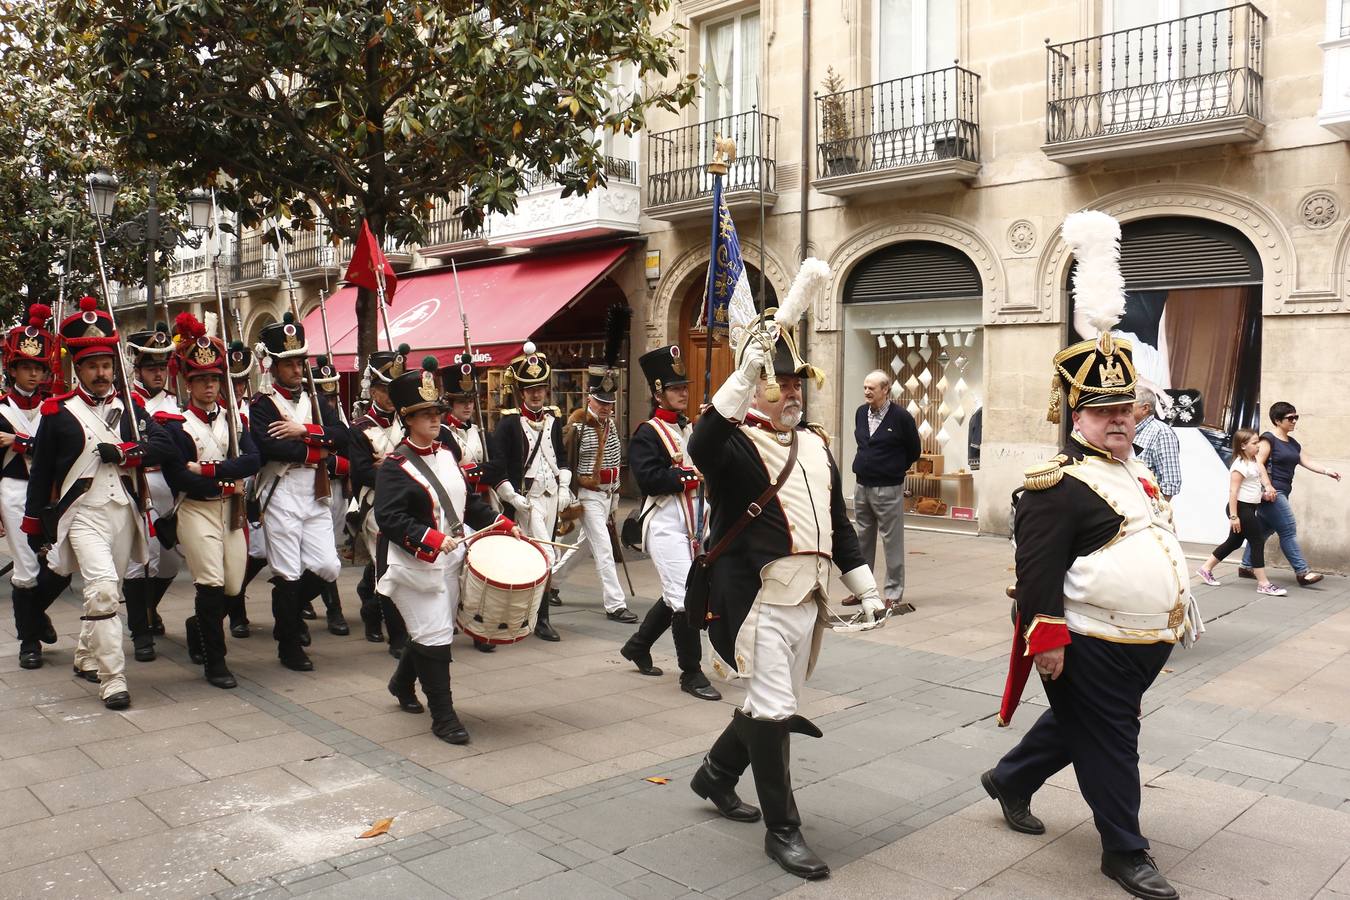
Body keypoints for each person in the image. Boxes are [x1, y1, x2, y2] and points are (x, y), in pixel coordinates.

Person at [985, 211, 1202, 900]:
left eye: (1125, 409)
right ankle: (1124, 852)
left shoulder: (1134, 470)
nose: (1117, 419)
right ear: (1074, 413)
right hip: (1088, 640)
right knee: (1112, 741)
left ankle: (1010, 777)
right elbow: (1037, 572)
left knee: (1081, 726)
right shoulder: (1054, 484)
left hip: (1147, 638)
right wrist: (1045, 640)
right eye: (1101, 410)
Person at [687, 316, 884, 880]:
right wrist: (741, 374)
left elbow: (840, 527)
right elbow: (701, 442)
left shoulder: (817, 447)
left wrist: (866, 590)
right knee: (775, 709)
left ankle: (716, 774)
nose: (792, 390)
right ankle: (784, 831)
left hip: (811, 598)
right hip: (757, 602)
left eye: (797, 381)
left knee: (767, 706)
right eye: (779, 381)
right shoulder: (734, 446)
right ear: (755, 387)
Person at [22, 296, 171, 710]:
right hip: (82, 513)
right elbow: (42, 474)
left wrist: (126, 452)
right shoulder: (57, 412)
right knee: (103, 591)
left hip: (124, 511)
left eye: (106, 365)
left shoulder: (132, 407)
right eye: (92, 366)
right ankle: (113, 678)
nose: (102, 373)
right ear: (78, 369)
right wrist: (35, 525)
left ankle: (86, 654)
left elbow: (163, 447)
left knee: (110, 589)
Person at [375, 357, 518, 744]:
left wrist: (497, 520)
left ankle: (402, 683)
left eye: (436, 411)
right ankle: (443, 716)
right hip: (413, 565)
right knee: (435, 633)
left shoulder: (446, 454)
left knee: (436, 629)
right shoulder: (393, 467)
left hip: (452, 558)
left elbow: (465, 504)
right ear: (408, 419)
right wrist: (431, 539)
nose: (435, 419)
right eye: (424, 414)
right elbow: (389, 518)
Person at [159, 314, 261, 688]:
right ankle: (216, 663)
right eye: (202, 380)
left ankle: (197, 626)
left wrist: (208, 471)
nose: (209, 387)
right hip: (196, 510)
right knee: (211, 583)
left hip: (230, 510)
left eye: (214, 379)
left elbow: (253, 460)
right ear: (189, 383)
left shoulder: (236, 420)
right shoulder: (176, 424)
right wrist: (223, 477)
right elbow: (179, 477)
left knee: (234, 585)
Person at [618, 345, 720, 700]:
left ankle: (638, 645)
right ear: (658, 391)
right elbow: (646, 478)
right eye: (675, 388)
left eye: (684, 387)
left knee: (677, 590)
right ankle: (691, 673)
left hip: (696, 519)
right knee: (686, 597)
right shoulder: (647, 432)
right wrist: (687, 478)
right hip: (665, 518)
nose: (682, 393)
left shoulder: (691, 426)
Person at [249, 313, 349, 671]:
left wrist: (303, 430)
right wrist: (318, 448)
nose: (295, 369)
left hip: (315, 491)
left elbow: (342, 436)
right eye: (288, 363)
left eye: (299, 361)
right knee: (288, 573)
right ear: (273, 366)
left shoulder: (316, 402)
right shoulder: (261, 404)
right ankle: (289, 644)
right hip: (281, 491)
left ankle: (286, 616)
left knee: (327, 566)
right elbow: (270, 447)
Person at [0, 304, 70, 669]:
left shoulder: (57, 407)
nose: (32, 374)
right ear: (12, 369)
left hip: (54, 493)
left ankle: (36, 613)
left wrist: (17, 441)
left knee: (62, 562)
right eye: (25, 367)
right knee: (26, 568)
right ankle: (29, 641)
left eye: (38, 368)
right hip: (12, 490)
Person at [561, 310, 638, 624]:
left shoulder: (613, 426)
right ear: (589, 399)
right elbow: (569, 463)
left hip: (608, 494)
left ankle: (549, 583)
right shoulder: (577, 428)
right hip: (588, 495)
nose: (606, 407)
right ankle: (615, 604)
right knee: (604, 548)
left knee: (584, 545)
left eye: (610, 403)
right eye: (601, 402)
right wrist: (574, 498)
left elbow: (615, 463)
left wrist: (616, 496)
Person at [490, 343, 569, 642]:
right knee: (543, 556)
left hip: (551, 497)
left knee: (544, 554)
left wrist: (564, 484)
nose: (536, 394)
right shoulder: (508, 424)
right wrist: (511, 497)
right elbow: (497, 467)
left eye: (541, 388)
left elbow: (561, 456)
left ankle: (531, 614)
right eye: (530, 389)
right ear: (521, 391)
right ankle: (541, 617)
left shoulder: (553, 418)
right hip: (527, 500)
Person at [123, 322, 182, 662]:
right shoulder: (127, 402)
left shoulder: (176, 401)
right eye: (151, 367)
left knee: (170, 563)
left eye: (162, 367)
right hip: (139, 484)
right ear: (139, 369)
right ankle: (140, 632)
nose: (158, 373)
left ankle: (147, 609)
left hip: (171, 489)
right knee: (142, 562)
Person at [348, 345, 411, 654]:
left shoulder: (409, 423)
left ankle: (371, 610)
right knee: (389, 568)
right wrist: (394, 471)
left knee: (395, 565)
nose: (393, 394)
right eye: (387, 388)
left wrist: (384, 465)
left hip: (408, 503)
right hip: (375, 505)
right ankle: (397, 638)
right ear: (373, 390)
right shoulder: (360, 429)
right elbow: (361, 473)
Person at [1238, 401, 1341, 586]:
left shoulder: (1292, 443)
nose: (1294, 421)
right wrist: (1268, 486)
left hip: (1282, 492)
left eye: (1296, 417)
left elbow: (1307, 461)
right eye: (1290, 418)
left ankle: (1246, 566)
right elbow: (1258, 463)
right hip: (1272, 493)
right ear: (1277, 420)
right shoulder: (1268, 439)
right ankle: (1302, 572)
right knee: (1288, 529)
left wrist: (1327, 471)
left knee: (1263, 531)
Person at [439, 351, 501, 654]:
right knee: (459, 569)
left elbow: (496, 467)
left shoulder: (481, 432)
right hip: (456, 510)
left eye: (470, 400)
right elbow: (453, 474)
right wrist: (478, 473)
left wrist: (474, 473)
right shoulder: (441, 435)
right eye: (461, 401)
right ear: (449, 403)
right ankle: (448, 621)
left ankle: (480, 627)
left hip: (482, 503)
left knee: (484, 569)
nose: (467, 406)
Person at [847, 369, 920, 610]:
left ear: (886, 390)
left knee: (892, 542)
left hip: (888, 488)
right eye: (865, 387)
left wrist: (894, 468)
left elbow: (913, 451)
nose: (867, 391)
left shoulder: (901, 418)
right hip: (862, 486)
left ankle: (893, 593)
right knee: (862, 540)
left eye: (872, 388)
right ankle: (863, 590)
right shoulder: (860, 413)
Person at [1195, 429, 1285, 596]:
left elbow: (1262, 480)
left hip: (1249, 507)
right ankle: (1263, 584)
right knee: (1257, 541)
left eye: (1258, 442)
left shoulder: (1254, 461)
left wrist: (1266, 491)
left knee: (1235, 542)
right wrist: (1234, 516)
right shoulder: (1240, 465)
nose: (1258, 446)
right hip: (1240, 508)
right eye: (1254, 443)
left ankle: (1205, 568)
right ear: (1243, 445)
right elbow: (1233, 492)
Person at [303, 354, 351, 636]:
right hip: (311, 486)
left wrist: (336, 463)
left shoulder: (336, 415)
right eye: (322, 392)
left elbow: (349, 454)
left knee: (330, 552)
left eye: (331, 393)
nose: (328, 400)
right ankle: (333, 609)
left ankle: (309, 600)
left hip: (336, 488)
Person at [228, 340, 262, 638]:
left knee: (256, 553)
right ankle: (236, 613)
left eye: (242, 381)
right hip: (229, 490)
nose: (239, 387)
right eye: (233, 381)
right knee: (236, 555)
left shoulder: (253, 409)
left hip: (257, 489)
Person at [1132, 386, 1182, 500]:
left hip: (1147, 507)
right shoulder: (1125, 427)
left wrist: (1158, 514)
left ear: (1145, 408)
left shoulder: (1162, 433)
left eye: (1129, 405)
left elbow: (1170, 483)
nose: (1123, 408)